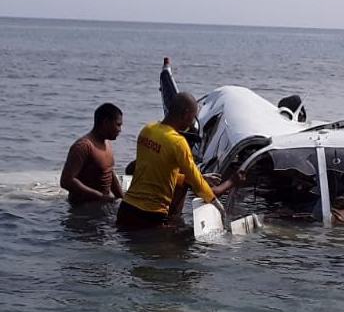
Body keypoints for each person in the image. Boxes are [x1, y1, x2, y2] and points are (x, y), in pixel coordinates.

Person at [116, 92, 240, 229]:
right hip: (150, 214)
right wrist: (217, 204)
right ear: (186, 114)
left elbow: (155, 170)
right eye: (192, 118)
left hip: (126, 209)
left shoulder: (147, 130)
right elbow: (195, 182)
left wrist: (199, 177)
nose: (191, 122)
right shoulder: (178, 142)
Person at [61, 103, 124, 204]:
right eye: (118, 125)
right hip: (83, 209)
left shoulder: (106, 143)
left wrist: (122, 198)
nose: (120, 130)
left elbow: (109, 172)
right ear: (106, 122)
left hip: (102, 204)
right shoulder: (83, 146)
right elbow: (66, 181)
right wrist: (99, 196)